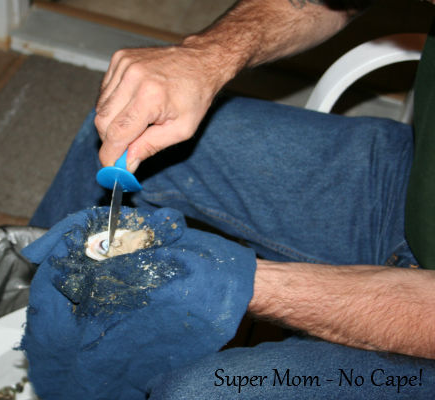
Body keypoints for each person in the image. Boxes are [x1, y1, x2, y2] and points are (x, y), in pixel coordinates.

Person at [30, 0, 435, 397]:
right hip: (412, 177)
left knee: (193, 393)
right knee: (124, 134)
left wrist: (228, 280)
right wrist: (208, 56)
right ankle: (37, 312)